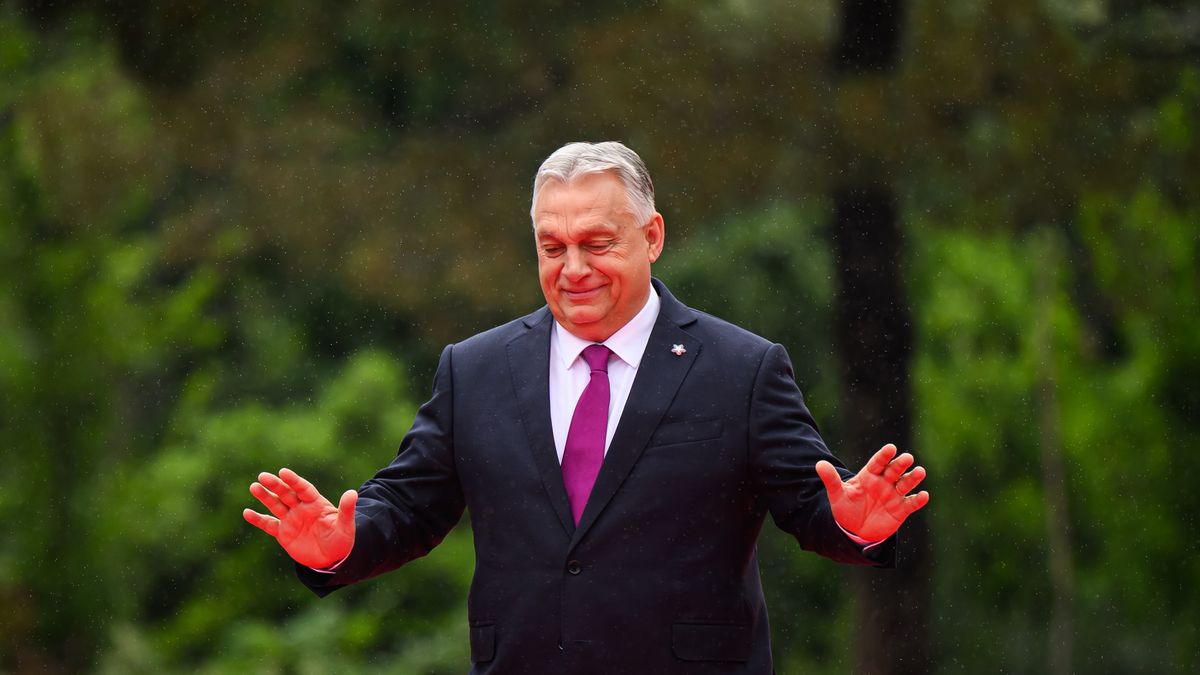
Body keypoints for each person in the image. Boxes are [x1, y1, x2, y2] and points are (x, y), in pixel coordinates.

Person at [243, 141, 929, 674]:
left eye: (597, 244)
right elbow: (410, 504)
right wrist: (342, 545)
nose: (574, 268)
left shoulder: (743, 369)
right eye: (553, 247)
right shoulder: (474, 369)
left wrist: (854, 526)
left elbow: (812, 506)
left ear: (652, 236)